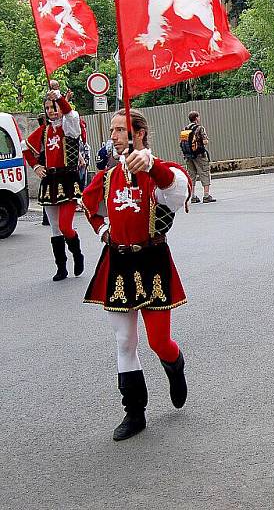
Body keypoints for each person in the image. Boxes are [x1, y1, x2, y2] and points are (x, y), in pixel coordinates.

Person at [82, 109, 191, 441]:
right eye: (112, 130)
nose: (113, 136)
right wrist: (103, 231)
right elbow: (89, 205)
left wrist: (151, 164)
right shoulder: (107, 177)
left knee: (159, 341)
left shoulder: (159, 173)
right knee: (125, 341)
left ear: (139, 133)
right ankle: (134, 411)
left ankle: (175, 366)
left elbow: (178, 191)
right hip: (118, 264)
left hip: (153, 263)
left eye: (120, 130)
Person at [22, 80, 85, 281]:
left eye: (53, 106)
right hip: (50, 181)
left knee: (66, 226)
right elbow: (25, 147)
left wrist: (58, 96)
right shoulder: (43, 131)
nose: (51, 111)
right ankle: (61, 268)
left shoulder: (70, 125)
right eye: (47, 108)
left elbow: (69, 113)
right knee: (55, 229)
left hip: (68, 179)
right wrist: (36, 166)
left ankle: (77, 254)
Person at [181, 111, 215, 204]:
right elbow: (205, 141)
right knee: (204, 172)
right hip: (199, 155)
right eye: (198, 117)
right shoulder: (200, 128)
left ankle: (193, 196)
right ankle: (206, 195)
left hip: (188, 156)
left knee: (191, 175)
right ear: (196, 118)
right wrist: (203, 142)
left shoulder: (185, 129)